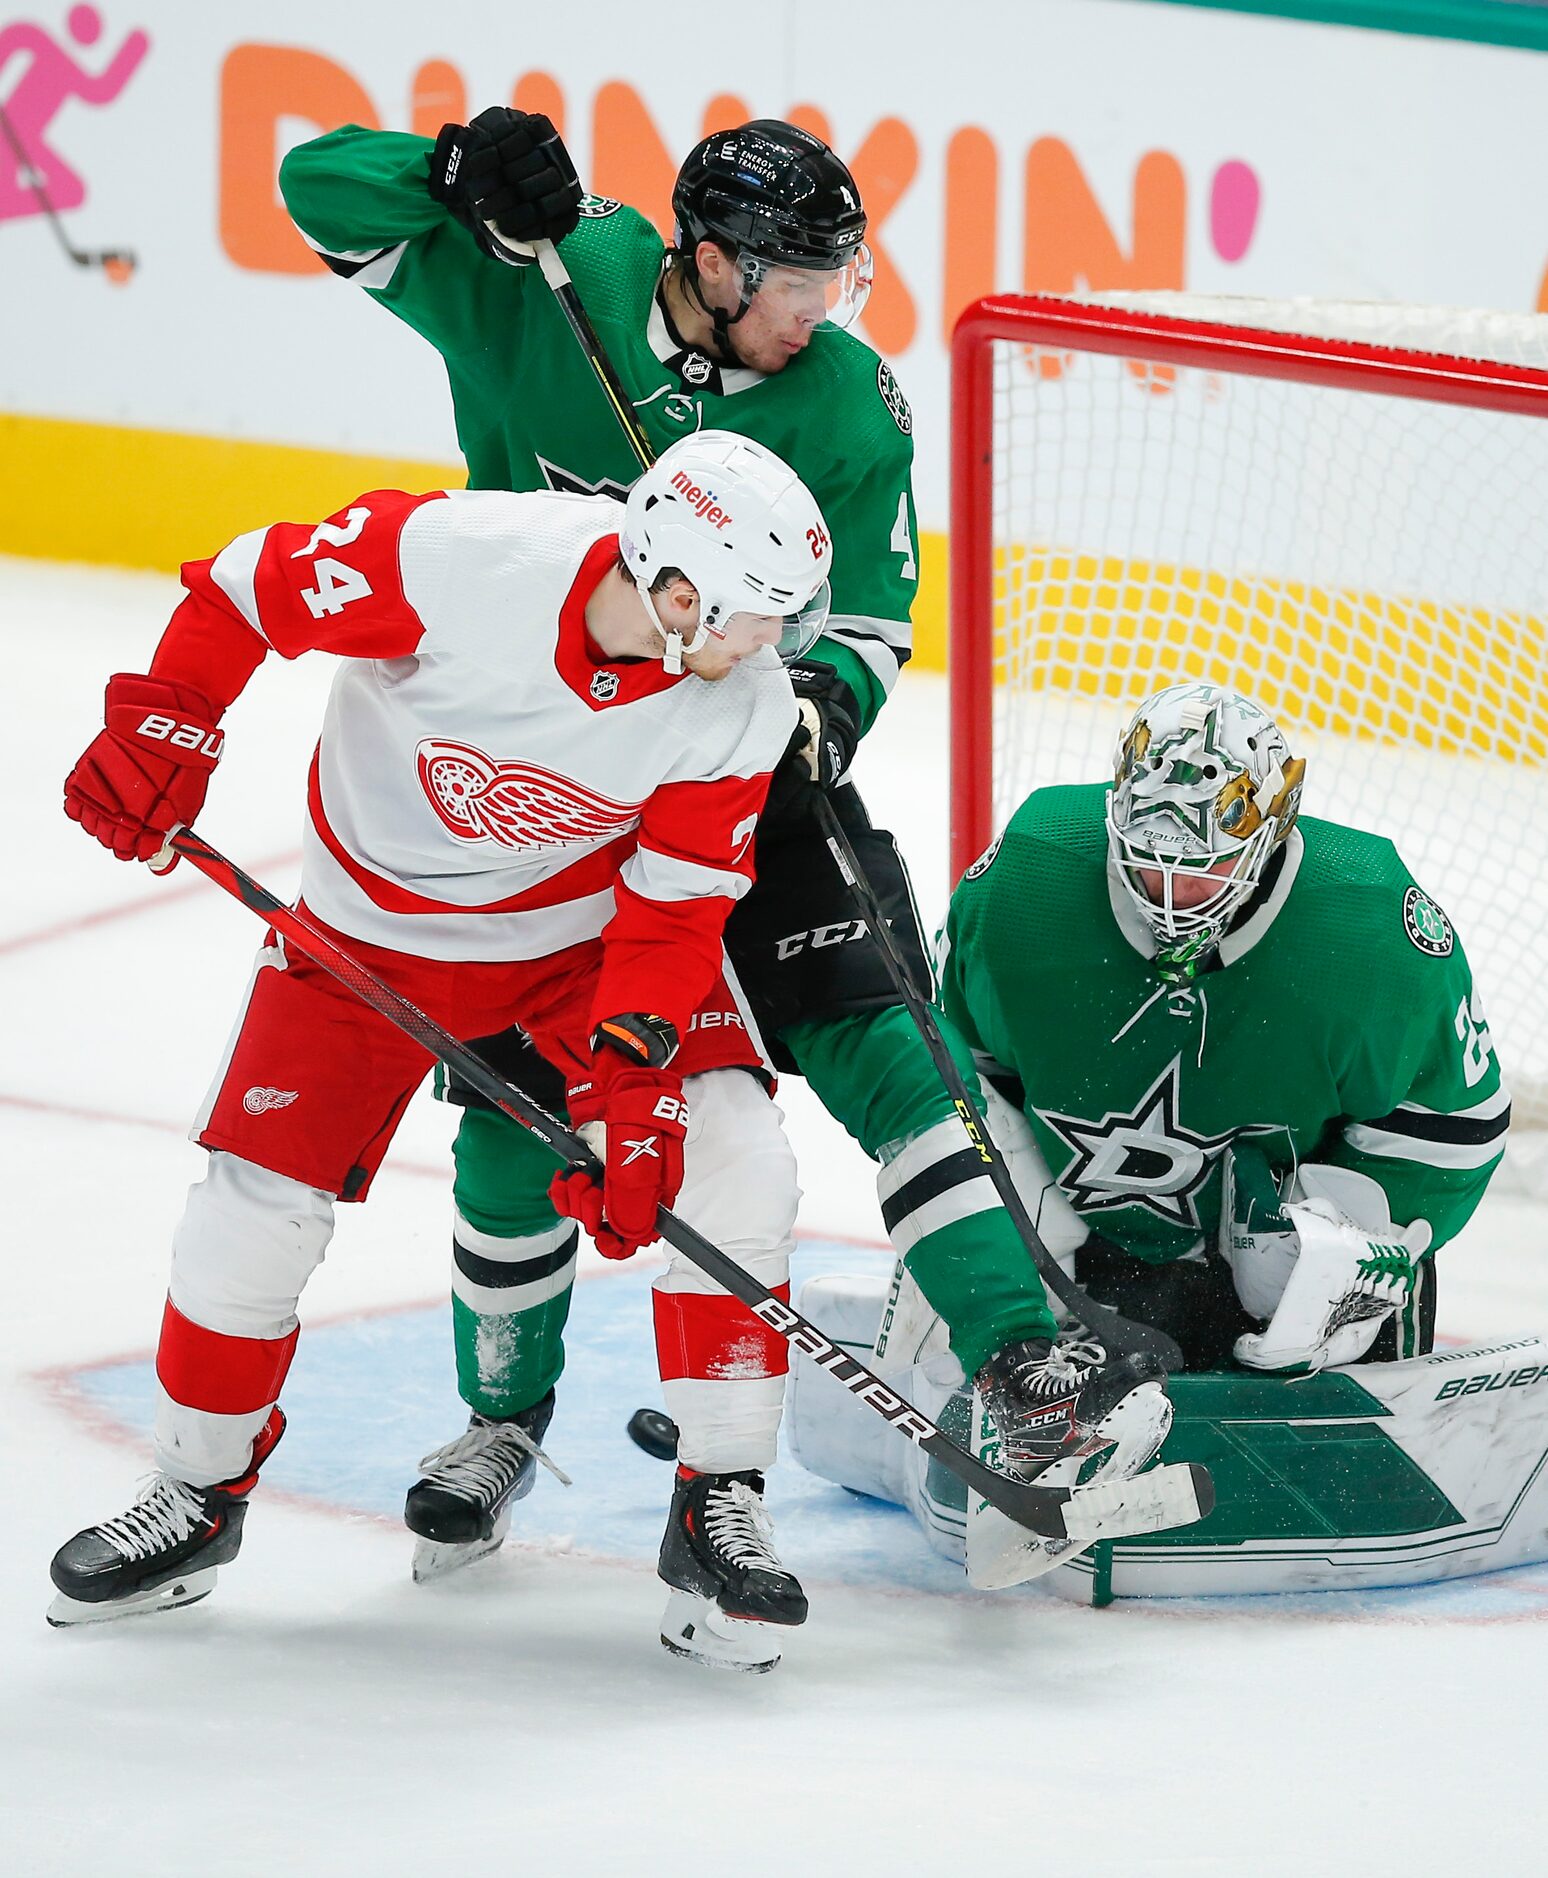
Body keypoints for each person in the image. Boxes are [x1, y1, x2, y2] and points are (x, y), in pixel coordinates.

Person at [278, 112, 1174, 1572]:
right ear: (707, 259)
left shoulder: (846, 407)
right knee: (520, 1119)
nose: (824, 311)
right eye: (799, 282)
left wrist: (816, 709)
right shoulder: (556, 270)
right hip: (546, 784)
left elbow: (877, 625)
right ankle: (502, 1419)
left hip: (741, 774)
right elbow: (315, 191)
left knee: (885, 1038)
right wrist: (446, 168)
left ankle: (1029, 1359)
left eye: (838, 279)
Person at [50, 431, 847, 1672]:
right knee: (249, 1211)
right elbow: (242, 587)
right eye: (754, 617)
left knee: (737, 1155)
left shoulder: (739, 706)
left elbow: (676, 909)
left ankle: (719, 1502)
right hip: (362, 940)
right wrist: (170, 723)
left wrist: (637, 1092)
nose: (771, 649)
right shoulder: (458, 559)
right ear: (678, 591)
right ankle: (196, 1494)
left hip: (578, 948)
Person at [789, 681, 1510, 1576]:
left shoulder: (1370, 925)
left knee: (1294, 1264)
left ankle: (1294, 1349)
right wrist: (999, 1256)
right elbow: (957, 1080)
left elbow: (1456, 1130)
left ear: (1272, 831)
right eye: (1144, 860)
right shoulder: (1031, 874)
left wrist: (1351, 1251)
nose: (1169, 894)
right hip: (1085, 1238)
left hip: (1260, 1250)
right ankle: (1036, 1359)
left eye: (1199, 867)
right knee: (977, 1163)